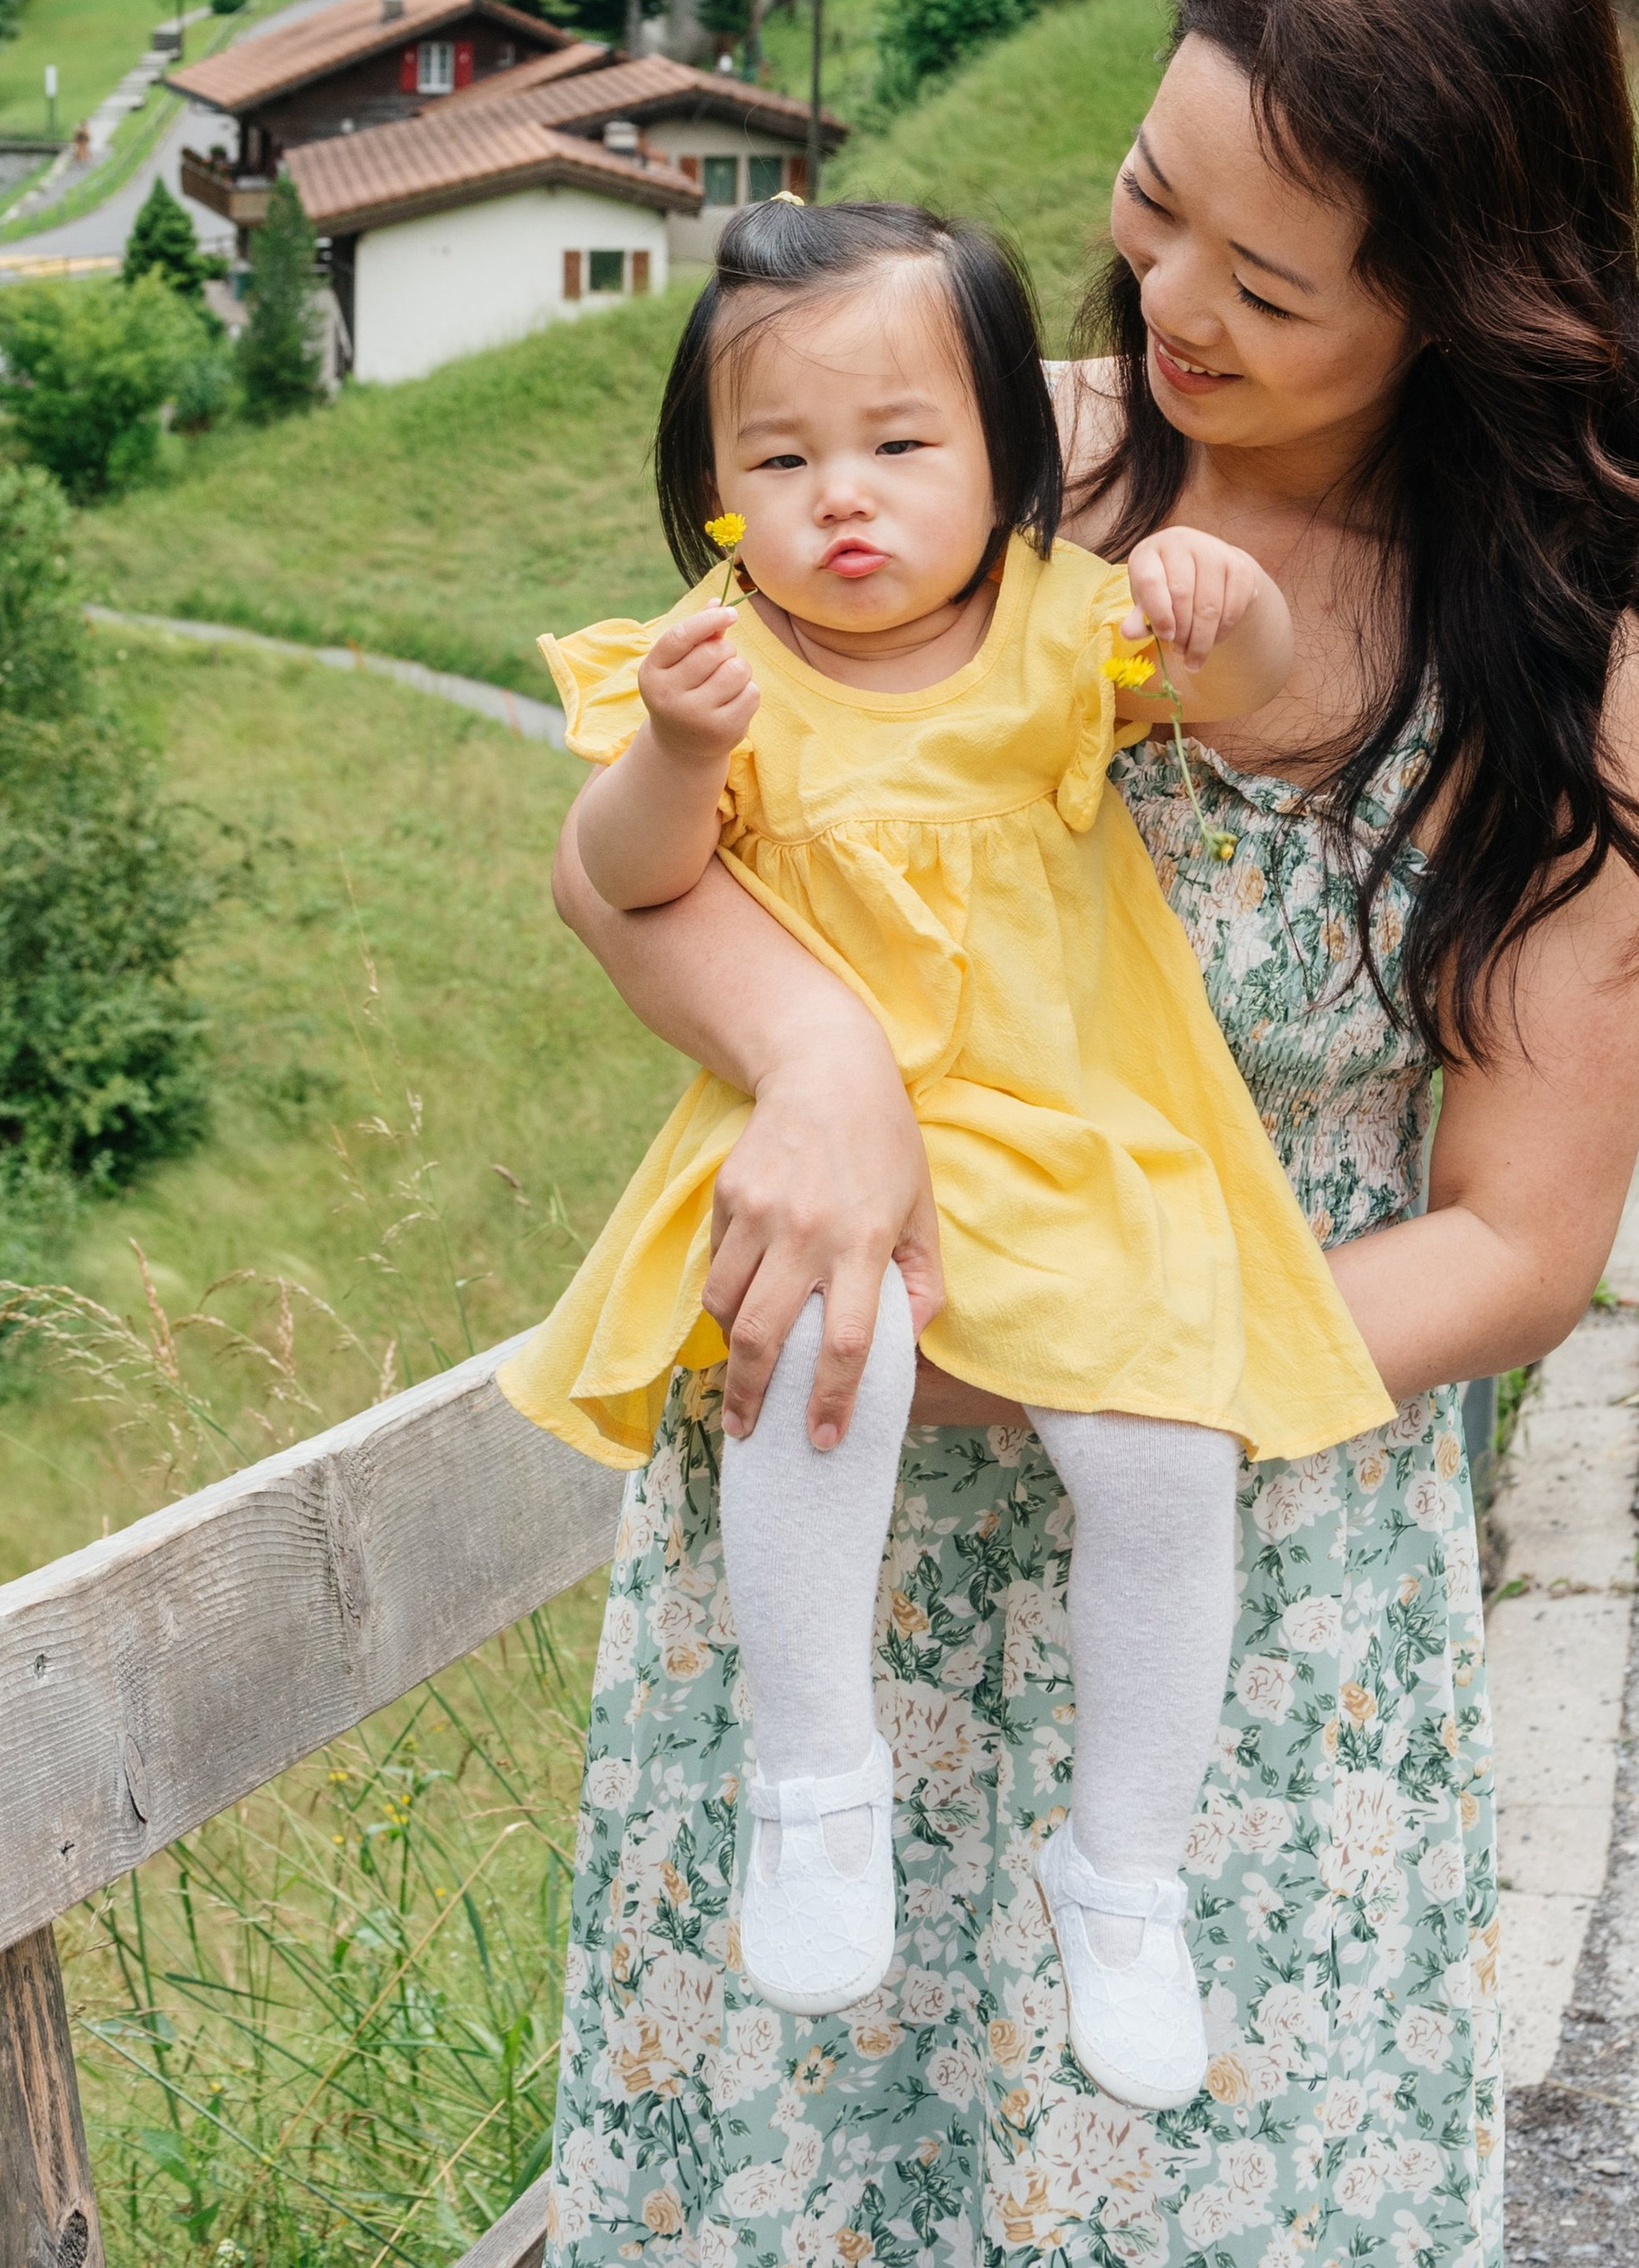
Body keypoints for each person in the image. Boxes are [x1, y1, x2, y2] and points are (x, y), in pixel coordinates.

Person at [536, 0, 1639, 2268]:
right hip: (837, 1536)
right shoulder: (979, 470)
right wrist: (819, 1068)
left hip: (1241, 1580)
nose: (1172, 303)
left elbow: (1523, 1243)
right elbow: (648, 850)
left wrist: (1123, 1351)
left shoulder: (1545, 663)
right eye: (1151, 201)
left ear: (1470, 304)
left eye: (1270, 283)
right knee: (791, 2189)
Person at [505, 196, 1392, 2104]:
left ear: (1004, 448)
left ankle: (1126, 1869)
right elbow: (626, 878)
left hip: (1078, 1136)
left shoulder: (1056, 627)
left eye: (900, 445)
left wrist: (1221, 617)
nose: (845, 497)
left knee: (1162, 1446)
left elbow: (1239, 699)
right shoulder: (717, 663)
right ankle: (812, 1776)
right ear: (711, 491)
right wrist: (670, 749)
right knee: (830, 1345)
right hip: (830, 1153)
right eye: (778, 456)